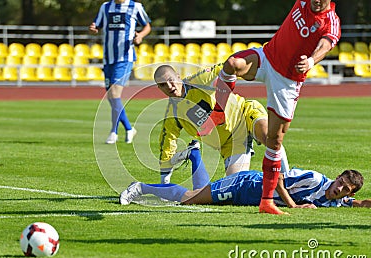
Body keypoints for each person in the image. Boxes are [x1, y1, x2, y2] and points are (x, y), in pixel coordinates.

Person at [197, 0, 341, 214]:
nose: (316, 1)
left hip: (287, 81)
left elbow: (326, 45)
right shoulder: (303, 3)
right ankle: (219, 113)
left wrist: (311, 61)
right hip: (267, 57)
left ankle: (267, 201)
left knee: (274, 142)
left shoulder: (330, 21)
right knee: (232, 64)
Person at [154, 64, 290, 185]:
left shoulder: (199, 80)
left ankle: (289, 181)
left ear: (178, 76)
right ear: (159, 88)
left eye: (171, 80)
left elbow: (228, 68)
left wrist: (266, 68)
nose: (169, 87)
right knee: (235, 187)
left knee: (269, 138)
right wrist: (164, 183)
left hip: (244, 114)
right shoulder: (172, 114)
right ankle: (273, 187)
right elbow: (167, 144)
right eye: (163, 84)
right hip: (230, 144)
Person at [120, 144, 370, 209]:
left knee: (201, 193)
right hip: (246, 184)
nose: (339, 190)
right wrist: (295, 206)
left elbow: (359, 204)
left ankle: (195, 155)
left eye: (345, 189)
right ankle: (140, 187)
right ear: (336, 177)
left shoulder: (334, 201)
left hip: (248, 197)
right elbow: (279, 179)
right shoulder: (314, 179)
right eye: (340, 183)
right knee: (187, 199)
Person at [89, 0, 151, 144]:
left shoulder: (135, 7)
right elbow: (96, 25)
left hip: (125, 58)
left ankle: (113, 132)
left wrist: (140, 35)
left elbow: (147, 26)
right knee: (111, 96)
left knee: (115, 94)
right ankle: (129, 129)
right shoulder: (105, 7)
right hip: (108, 58)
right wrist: (93, 28)